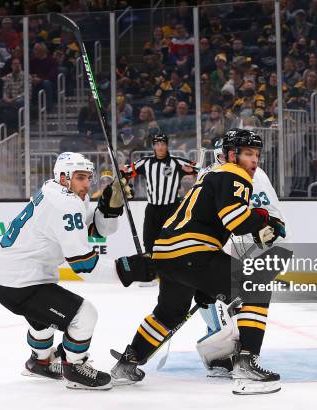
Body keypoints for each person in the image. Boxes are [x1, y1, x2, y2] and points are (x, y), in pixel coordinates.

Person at [111, 129, 285, 395]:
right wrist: (263, 221)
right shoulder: (234, 173)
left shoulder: (208, 176)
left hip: (166, 253)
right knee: (256, 287)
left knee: (169, 313)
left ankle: (128, 363)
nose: (254, 160)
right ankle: (246, 366)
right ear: (231, 155)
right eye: (248, 153)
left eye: (257, 154)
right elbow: (235, 220)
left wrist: (204, 283)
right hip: (193, 252)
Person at [0, 152, 130, 390]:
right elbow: (84, 265)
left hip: (11, 279)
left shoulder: (56, 192)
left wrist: (109, 210)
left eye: (88, 178)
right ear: (63, 177)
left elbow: (94, 228)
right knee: (84, 316)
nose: (86, 184)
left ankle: (39, 362)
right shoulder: (66, 202)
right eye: (80, 177)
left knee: (43, 320)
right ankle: (75, 368)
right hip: (22, 282)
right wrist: (129, 270)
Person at [193, 136, 287, 378]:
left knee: (242, 300)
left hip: (255, 246)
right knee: (219, 301)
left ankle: (239, 356)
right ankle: (224, 356)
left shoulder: (255, 175)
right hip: (227, 247)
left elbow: (267, 214)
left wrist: (270, 227)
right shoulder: (213, 175)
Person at [119, 133, 197, 254]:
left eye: (163, 144)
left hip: (171, 209)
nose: (160, 147)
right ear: (154, 146)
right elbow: (128, 171)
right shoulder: (145, 163)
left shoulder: (176, 162)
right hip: (152, 209)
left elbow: (198, 169)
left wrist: (193, 170)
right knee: (149, 242)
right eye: (157, 144)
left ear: (167, 146)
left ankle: (172, 267)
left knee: (173, 240)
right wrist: (122, 171)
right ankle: (152, 269)